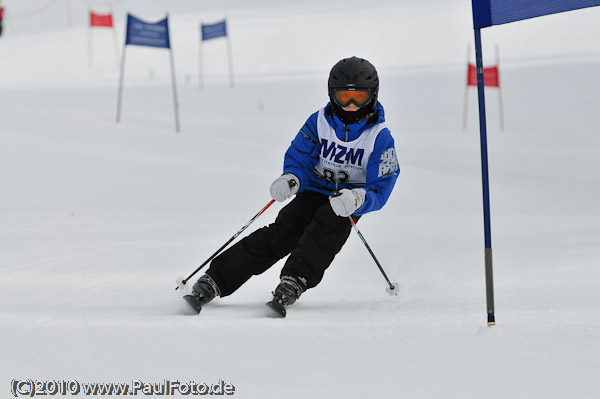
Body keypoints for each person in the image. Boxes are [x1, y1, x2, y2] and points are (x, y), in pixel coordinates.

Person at [184, 56, 400, 315]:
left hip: (346, 202)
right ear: (332, 95)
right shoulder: (319, 122)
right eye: (344, 97)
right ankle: (215, 280)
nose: (351, 105)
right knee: (282, 232)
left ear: (372, 96)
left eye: (359, 97)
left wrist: (359, 198)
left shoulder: (380, 136)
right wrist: (292, 178)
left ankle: (294, 280)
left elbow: (383, 184)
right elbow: (300, 157)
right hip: (314, 190)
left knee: (325, 233)